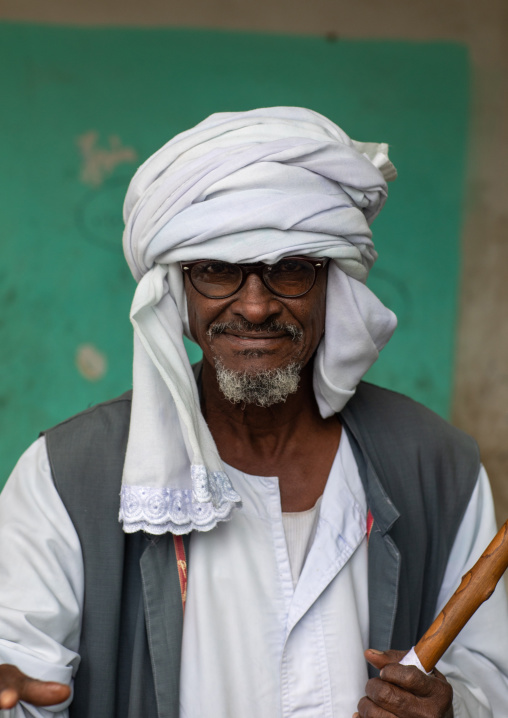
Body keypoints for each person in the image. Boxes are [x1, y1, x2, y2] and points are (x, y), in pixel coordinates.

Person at [0, 107, 507, 718]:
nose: (257, 306)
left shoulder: (436, 466)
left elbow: (492, 676)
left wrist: (456, 709)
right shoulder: (68, 474)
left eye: (290, 270)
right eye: (217, 271)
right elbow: (21, 667)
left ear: (329, 283)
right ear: (178, 290)